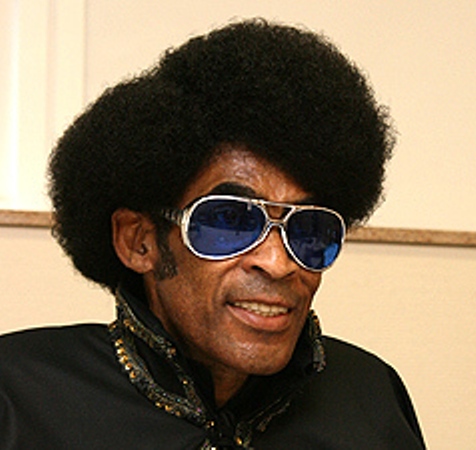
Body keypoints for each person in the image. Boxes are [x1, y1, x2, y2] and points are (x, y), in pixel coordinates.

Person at [0, 19, 425, 449]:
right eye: (229, 221)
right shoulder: (19, 398)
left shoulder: (369, 398)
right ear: (139, 241)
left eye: (308, 228)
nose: (278, 263)